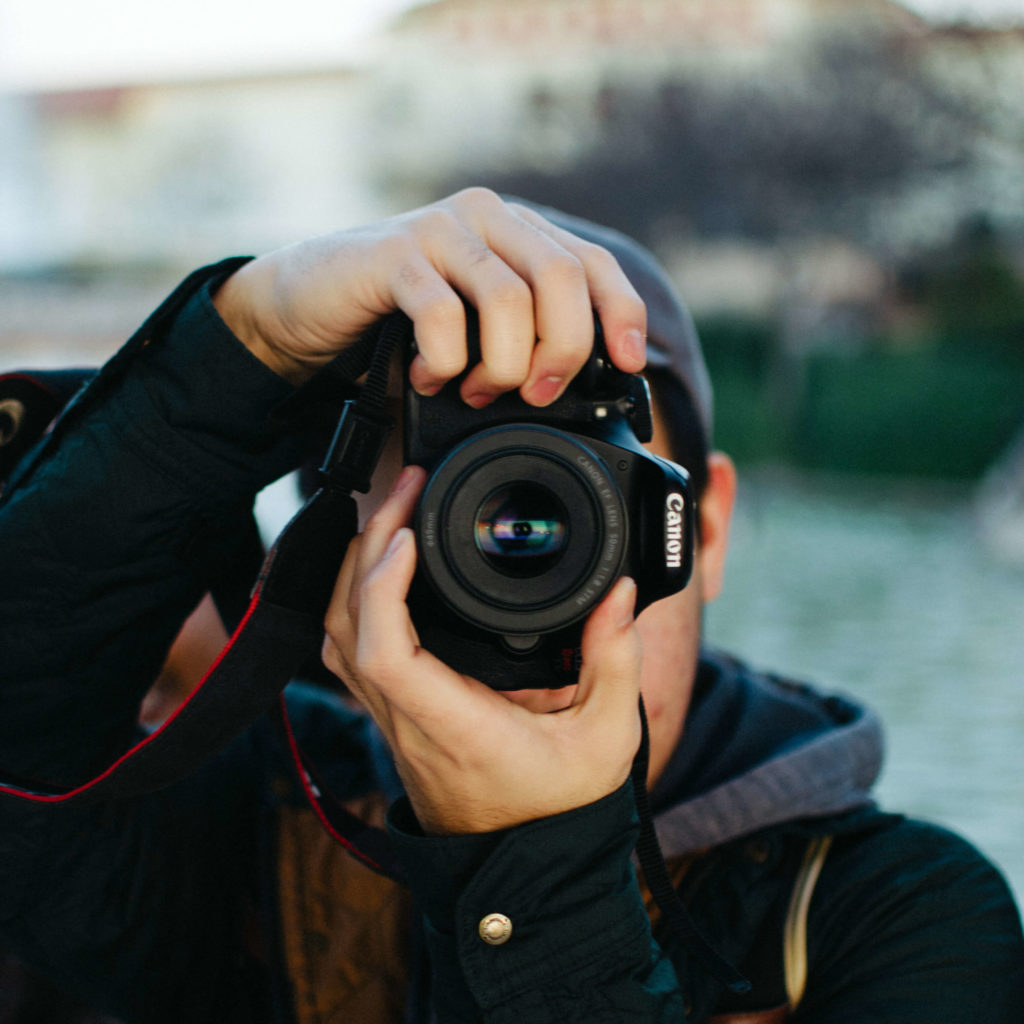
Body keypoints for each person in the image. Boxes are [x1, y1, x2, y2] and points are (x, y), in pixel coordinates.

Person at [0, 187, 1021, 1023]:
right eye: (465, 496)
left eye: (591, 501)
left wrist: (529, 874)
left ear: (699, 530)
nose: (530, 555)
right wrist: (239, 343)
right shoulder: (267, 820)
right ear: (350, 540)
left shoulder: (892, 919)